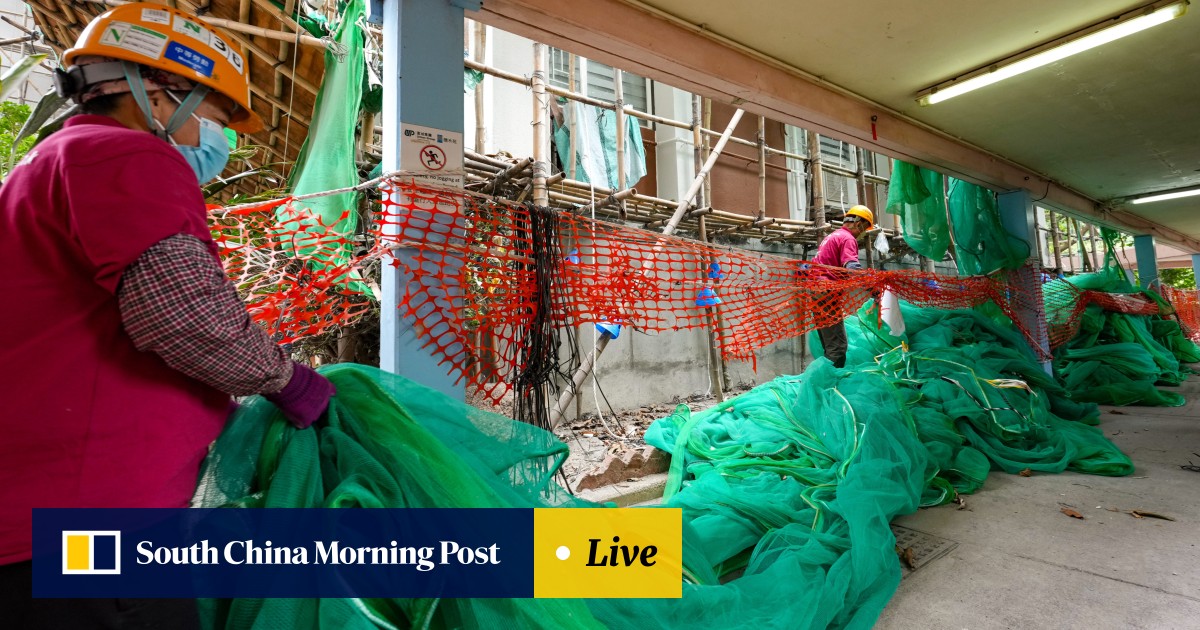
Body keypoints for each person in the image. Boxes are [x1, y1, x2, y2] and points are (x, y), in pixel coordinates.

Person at [0, 4, 334, 627]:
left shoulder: (50, 166)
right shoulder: (125, 158)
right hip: (91, 534)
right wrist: (289, 381)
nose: (217, 138)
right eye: (213, 115)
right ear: (156, 92)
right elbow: (181, 315)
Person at [812, 205, 873, 369]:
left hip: (817, 291)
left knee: (830, 345)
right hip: (826, 292)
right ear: (858, 222)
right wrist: (873, 288)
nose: (863, 233)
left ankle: (823, 383)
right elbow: (852, 267)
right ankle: (830, 386)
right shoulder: (847, 238)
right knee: (837, 348)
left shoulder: (834, 236)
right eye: (865, 227)